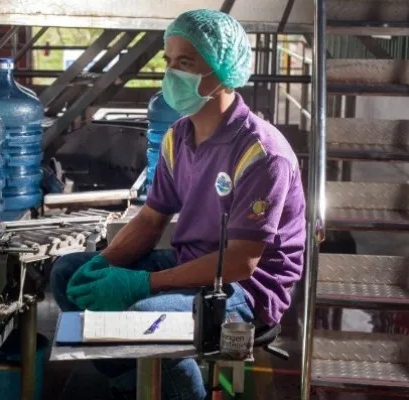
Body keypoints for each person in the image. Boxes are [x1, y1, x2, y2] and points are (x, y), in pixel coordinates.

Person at [50, 9, 306, 400]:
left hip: (243, 288)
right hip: (191, 262)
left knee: (146, 319)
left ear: (222, 71)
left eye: (185, 63)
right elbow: (152, 217)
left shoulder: (261, 153)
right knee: (70, 274)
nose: (171, 74)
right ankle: (132, 385)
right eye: (169, 62)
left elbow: (240, 262)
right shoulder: (178, 136)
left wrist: (142, 283)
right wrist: (106, 263)